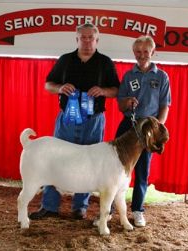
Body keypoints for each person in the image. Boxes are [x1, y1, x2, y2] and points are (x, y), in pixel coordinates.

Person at [29, 23, 120, 220]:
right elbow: (48, 85)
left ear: (97, 40)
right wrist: (60, 88)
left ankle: (80, 207)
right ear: (76, 39)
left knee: (90, 164)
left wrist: (104, 91)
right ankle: (49, 205)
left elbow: (117, 90)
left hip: (94, 121)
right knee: (56, 160)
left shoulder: (105, 62)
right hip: (66, 120)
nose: (87, 41)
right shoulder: (65, 60)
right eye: (83, 37)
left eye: (91, 38)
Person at [115, 35, 171, 227]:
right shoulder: (128, 76)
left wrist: (157, 128)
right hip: (128, 126)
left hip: (148, 128)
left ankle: (138, 210)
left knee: (141, 171)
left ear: (152, 52)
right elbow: (120, 105)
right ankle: (110, 210)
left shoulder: (162, 76)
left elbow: (165, 105)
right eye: (138, 52)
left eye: (145, 51)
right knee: (117, 169)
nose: (141, 55)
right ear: (134, 53)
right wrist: (127, 102)